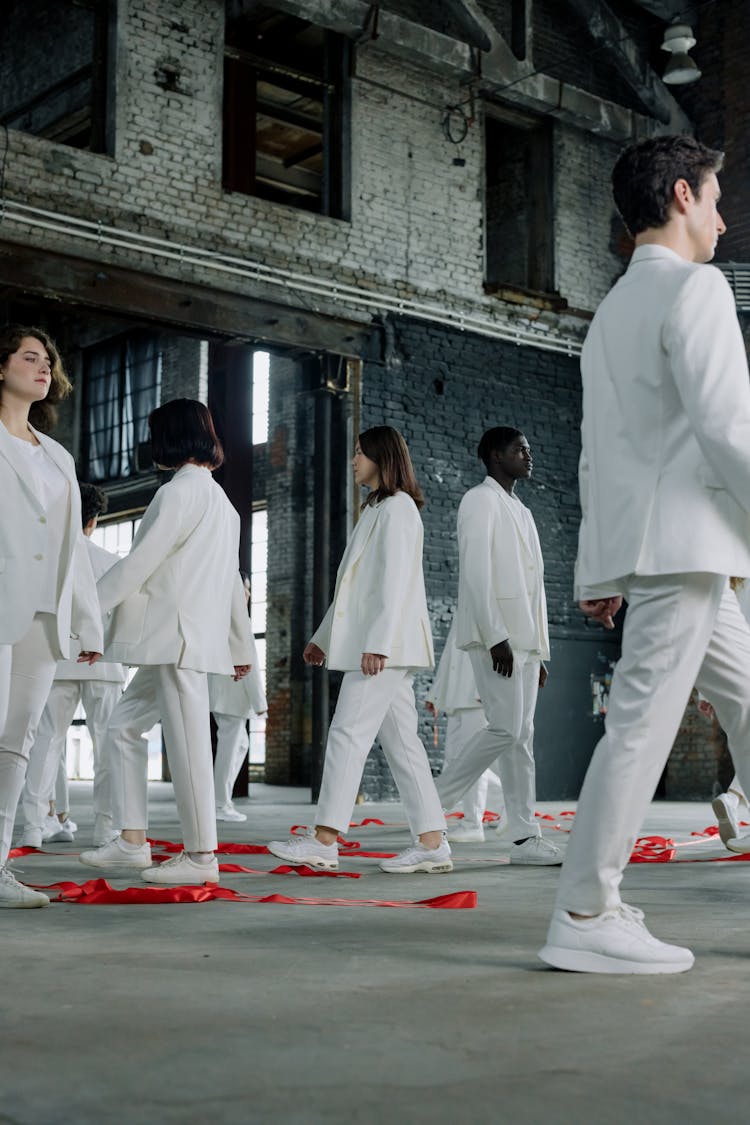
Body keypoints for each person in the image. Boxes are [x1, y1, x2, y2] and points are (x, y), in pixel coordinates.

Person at [539, 134, 750, 975]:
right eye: (715, 194)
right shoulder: (695, 290)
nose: (725, 217)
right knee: (638, 727)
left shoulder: (611, 314)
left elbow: (595, 452)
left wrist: (598, 570)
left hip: (666, 551)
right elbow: (730, 429)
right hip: (688, 549)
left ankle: (590, 901)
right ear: (680, 195)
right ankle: (586, 907)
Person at [79, 399, 252, 885]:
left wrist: (86, 617)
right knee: (122, 728)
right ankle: (133, 843)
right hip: (179, 641)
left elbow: (137, 566)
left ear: (169, 438)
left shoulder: (177, 494)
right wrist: (240, 648)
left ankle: (201, 857)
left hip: (176, 639)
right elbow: (232, 585)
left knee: (188, 745)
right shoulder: (223, 503)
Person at [268, 426, 452, 874]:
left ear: (381, 458)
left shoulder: (400, 509)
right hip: (383, 645)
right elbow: (354, 589)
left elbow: (396, 583)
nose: (353, 460)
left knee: (347, 732)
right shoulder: (375, 509)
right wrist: (322, 638)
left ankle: (325, 839)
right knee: (403, 745)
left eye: (359, 453)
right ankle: (432, 843)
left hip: (386, 647)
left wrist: (378, 644)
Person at [0, 324, 102, 908]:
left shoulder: (58, 456)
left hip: (44, 614)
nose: (43, 369)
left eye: (48, 361)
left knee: (17, 744)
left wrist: (86, 621)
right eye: (29, 357)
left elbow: (74, 551)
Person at [435, 428, 561, 865]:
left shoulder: (521, 510)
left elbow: (535, 589)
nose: (529, 455)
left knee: (521, 737)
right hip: (498, 639)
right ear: (494, 455)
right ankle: (431, 806)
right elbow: (476, 572)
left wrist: (539, 651)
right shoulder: (479, 500)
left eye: (529, 448)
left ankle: (526, 837)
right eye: (520, 450)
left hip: (525, 642)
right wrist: (496, 637)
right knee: (506, 728)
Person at [20, 482, 126, 848]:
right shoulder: (111, 562)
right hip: (105, 664)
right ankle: (106, 828)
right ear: (94, 521)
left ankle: (35, 826)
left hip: (60, 659)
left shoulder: (50, 560)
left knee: (45, 742)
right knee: (108, 745)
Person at [426, 618, 504, 843]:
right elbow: (451, 657)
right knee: (456, 759)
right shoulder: (464, 606)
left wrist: (487, 687)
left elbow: (496, 645)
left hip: (476, 695)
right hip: (456, 697)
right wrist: (437, 694)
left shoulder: (484, 599)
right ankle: (508, 805)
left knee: (472, 760)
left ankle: (472, 823)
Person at [209, 571, 265, 822]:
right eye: (246, 588)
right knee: (230, 749)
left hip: (226, 693)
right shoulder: (235, 617)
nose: (248, 593)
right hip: (231, 693)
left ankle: (220, 800)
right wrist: (260, 702)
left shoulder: (219, 615)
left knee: (240, 744)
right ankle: (219, 804)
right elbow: (249, 661)